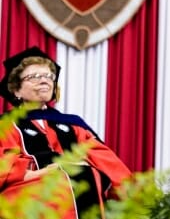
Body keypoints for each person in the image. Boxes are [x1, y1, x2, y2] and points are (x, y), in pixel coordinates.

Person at [0, 46, 132, 218]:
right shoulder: (6, 125)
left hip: (77, 190)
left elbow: (107, 163)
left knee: (85, 174)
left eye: (48, 76)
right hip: (27, 194)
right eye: (34, 77)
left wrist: (134, 195)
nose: (44, 80)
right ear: (16, 90)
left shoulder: (73, 124)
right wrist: (45, 172)